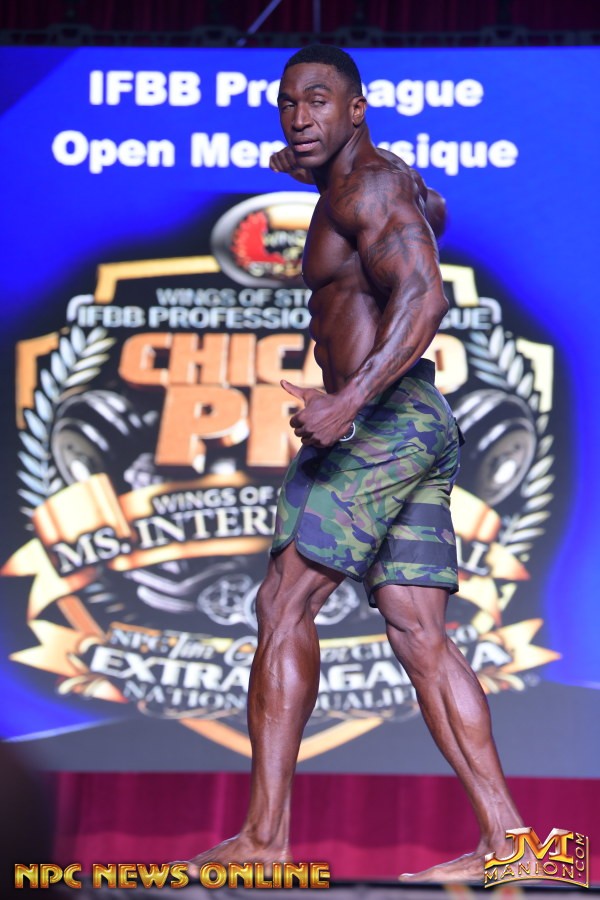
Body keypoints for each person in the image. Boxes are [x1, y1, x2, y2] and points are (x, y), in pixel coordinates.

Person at [186, 45, 522, 883]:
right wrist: (323, 169)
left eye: (318, 101)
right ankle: (511, 844)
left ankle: (264, 842)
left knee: (284, 601)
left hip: (380, 419)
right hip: (418, 419)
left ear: (356, 108)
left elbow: (425, 294)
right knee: (418, 632)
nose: (299, 116)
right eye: (288, 103)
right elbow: (425, 213)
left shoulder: (365, 185)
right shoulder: (371, 180)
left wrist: (348, 399)